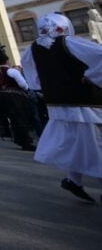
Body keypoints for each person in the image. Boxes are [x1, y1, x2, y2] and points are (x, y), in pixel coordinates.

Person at [20, 13, 102, 204]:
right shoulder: (69, 43)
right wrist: (91, 75)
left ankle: (73, 180)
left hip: (59, 104)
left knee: (79, 143)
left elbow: (32, 77)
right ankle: (75, 181)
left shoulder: (32, 49)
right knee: (94, 144)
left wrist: (46, 86)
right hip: (84, 104)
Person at [0, 53, 35, 151]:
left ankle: (18, 138)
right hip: (14, 96)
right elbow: (23, 84)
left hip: (0, 96)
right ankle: (25, 141)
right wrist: (27, 89)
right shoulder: (11, 71)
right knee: (20, 118)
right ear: (7, 60)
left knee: (12, 119)